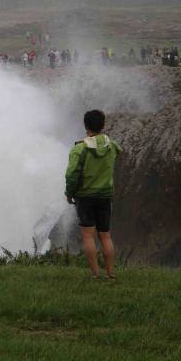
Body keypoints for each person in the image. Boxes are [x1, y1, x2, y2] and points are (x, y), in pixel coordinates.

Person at [64, 110, 122, 280]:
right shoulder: (111, 146)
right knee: (105, 235)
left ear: (85, 126)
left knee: (88, 235)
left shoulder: (79, 149)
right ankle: (111, 274)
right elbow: (119, 150)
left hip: (86, 196)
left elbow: (71, 174)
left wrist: (70, 192)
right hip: (105, 195)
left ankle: (96, 274)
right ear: (103, 125)